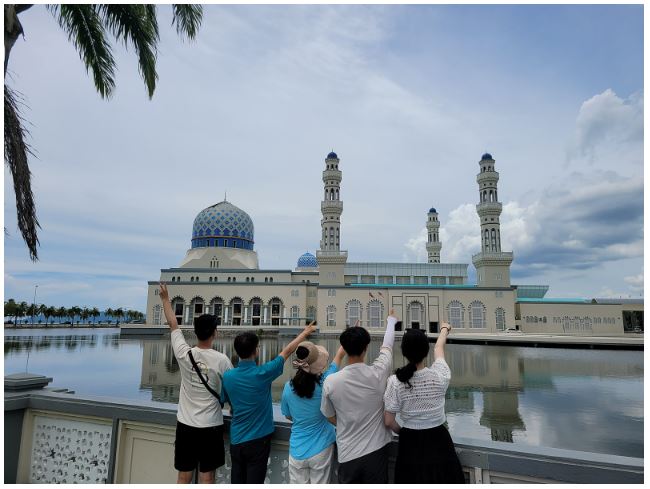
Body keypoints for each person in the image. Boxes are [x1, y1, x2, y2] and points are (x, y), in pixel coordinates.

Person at [221, 322, 317, 484]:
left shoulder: (228, 376)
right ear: (255, 351)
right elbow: (287, 351)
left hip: (236, 439)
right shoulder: (263, 373)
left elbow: (225, 401)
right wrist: (305, 333)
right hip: (258, 440)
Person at [159, 282, 233, 484]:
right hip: (211, 426)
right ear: (214, 333)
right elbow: (233, 389)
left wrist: (165, 299)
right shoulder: (222, 360)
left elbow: (173, 325)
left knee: (184, 476)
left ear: (195, 332)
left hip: (186, 425)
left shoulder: (184, 354)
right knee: (207, 476)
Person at [320, 310, 397, 483]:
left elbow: (329, 416)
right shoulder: (379, 373)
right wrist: (391, 321)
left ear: (344, 348)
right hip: (377, 451)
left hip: (348, 453)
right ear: (366, 348)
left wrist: (347, 422)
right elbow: (387, 346)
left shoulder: (331, 381)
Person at [383, 323, 465, 483]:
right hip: (439, 439)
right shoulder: (440, 376)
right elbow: (439, 348)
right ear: (426, 351)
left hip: (410, 443)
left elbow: (388, 421)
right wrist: (444, 329)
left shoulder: (395, 382)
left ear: (404, 352)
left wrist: (404, 432)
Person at [281, 341, 346, 483]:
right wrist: (343, 348)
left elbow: (287, 415)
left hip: (297, 449)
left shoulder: (287, 387)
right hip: (322, 448)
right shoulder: (325, 383)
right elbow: (336, 361)